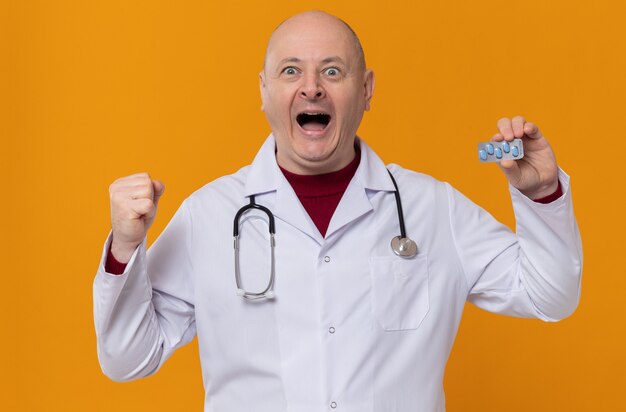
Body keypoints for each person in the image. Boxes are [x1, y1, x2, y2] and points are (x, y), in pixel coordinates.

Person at [93, 10, 582, 412]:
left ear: (366, 89)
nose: (311, 88)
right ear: (264, 91)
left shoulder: (432, 207)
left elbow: (550, 298)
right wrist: (124, 247)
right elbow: (127, 358)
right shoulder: (209, 214)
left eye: (332, 70)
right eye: (291, 71)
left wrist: (541, 195)